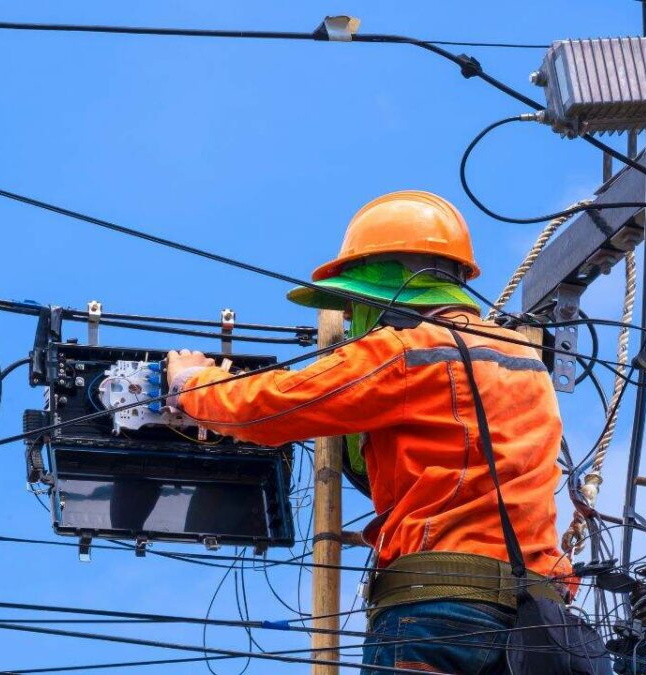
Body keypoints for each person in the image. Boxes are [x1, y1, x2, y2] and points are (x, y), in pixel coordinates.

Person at [166, 190, 574, 674]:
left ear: (381, 295)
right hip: (540, 624)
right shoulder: (524, 359)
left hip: (436, 611)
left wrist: (192, 385)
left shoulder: (406, 351)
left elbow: (274, 404)